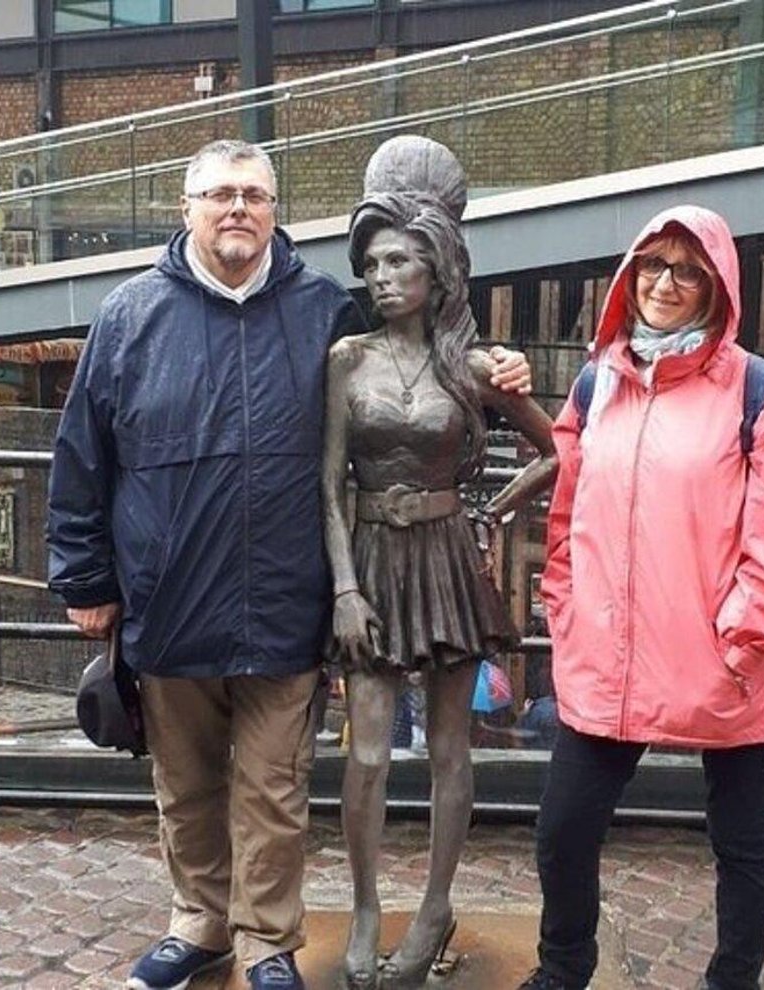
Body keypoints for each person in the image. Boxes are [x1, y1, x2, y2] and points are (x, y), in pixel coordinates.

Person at [46, 138, 532, 990]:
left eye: (254, 195)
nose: (237, 208)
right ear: (187, 208)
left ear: (276, 212)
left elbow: (413, 364)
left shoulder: (322, 312)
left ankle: (267, 940)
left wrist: (498, 365)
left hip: (282, 595)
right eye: (220, 194)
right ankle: (199, 923)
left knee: (275, 786)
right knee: (186, 782)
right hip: (170, 596)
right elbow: (83, 454)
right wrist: (86, 579)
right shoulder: (130, 314)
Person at [518, 205, 764, 990]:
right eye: (652, 265)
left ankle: (732, 981)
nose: (665, 283)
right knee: (563, 829)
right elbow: (568, 515)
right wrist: (569, 608)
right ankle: (563, 968)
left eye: (687, 270)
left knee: (741, 841)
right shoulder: (598, 385)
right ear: (629, 277)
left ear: (716, 287)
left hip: (727, 663)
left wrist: (740, 645)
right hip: (612, 657)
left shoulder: (757, 391)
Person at [322, 136, 557, 990]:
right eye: (372, 264)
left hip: (449, 561)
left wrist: (497, 508)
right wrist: (344, 588)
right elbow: (328, 484)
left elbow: (559, 450)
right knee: (369, 752)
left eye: (399, 262)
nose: (381, 277)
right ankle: (364, 907)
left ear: (436, 270)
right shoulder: (346, 360)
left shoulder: (474, 366)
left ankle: (434, 906)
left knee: (451, 747)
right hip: (373, 562)